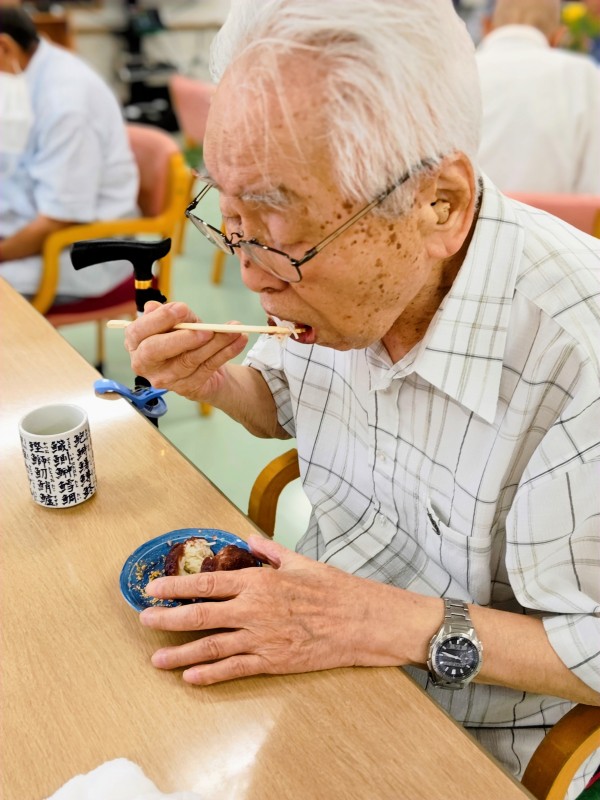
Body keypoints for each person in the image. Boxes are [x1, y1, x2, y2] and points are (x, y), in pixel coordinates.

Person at [123, 1, 600, 794]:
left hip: (469, 737)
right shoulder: (329, 283)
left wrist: (376, 621)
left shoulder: (577, 357)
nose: (250, 275)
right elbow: (280, 404)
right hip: (307, 648)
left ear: (439, 204)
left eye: (279, 232)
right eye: (229, 219)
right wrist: (214, 382)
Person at [0, 8, 139, 303]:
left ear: (4, 47)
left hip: (79, 249)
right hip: (28, 223)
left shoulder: (66, 105)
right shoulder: (24, 74)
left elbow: (58, 220)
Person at [475, 0, 600, 194]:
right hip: (556, 213)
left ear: (486, 26)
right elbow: (593, 187)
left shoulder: (456, 70)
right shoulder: (584, 75)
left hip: (467, 211)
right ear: (558, 37)